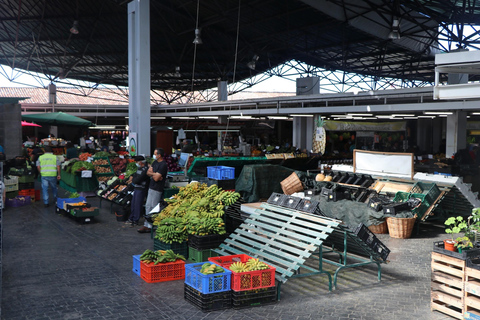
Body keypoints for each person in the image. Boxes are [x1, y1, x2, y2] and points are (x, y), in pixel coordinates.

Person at [138, 148, 168, 233]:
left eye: (155, 154)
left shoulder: (163, 165)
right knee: (148, 206)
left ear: (159, 155)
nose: (154, 155)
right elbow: (148, 173)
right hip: (151, 187)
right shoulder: (155, 162)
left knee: (153, 207)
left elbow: (156, 179)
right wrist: (155, 174)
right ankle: (147, 224)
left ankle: (153, 225)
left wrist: (154, 174)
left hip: (157, 188)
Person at [125, 156, 149, 227]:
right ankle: (131, 218)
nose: (136, 163)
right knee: (133, 204)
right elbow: (135, 175)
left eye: (136, 162)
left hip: (141, 189)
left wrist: (133, 180)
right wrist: (133, 178)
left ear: (140, 162)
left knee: (138, 204)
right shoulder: (140, 168)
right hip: (137, 188)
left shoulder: (145, 170)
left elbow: (138, 179)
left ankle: (135, 220)